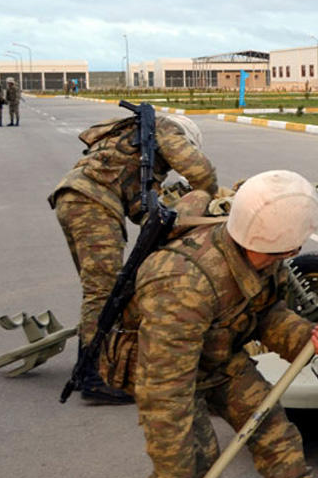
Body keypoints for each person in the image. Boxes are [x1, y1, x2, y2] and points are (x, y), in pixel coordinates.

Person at [104, 170, 318, 478]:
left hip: (219, 356)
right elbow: (164, 389)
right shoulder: (182, 282)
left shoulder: (263, 250)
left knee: (274, 429)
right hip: (168, 371)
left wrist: (302, 334)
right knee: (195, 461)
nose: (290, 254)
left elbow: (263, 311)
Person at [49, 109, 218, 404]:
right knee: (102, 294)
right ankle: (94, 377)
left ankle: (87, 366)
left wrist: (176, 210)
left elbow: (144, 210)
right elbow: (199, 170)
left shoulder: (141, 154)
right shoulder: (166, 128)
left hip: (77, 198)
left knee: (103, 291)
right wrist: (208, 197)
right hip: (91, 202)